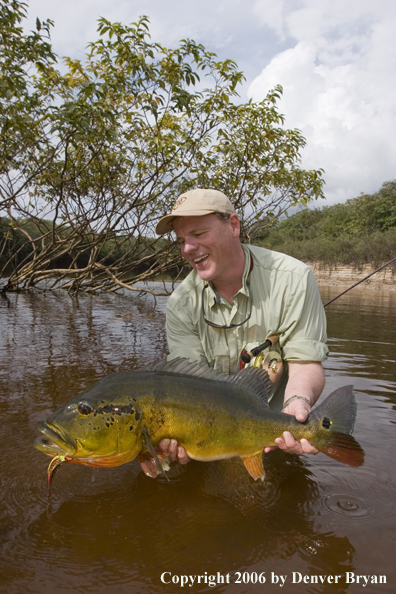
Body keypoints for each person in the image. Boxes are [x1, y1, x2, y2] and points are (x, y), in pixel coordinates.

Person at [155, 188, 328, 466]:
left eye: (199, 234)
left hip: (276, 436)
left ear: (233, 225)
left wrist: (298, 403)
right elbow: (186, 385)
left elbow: (306, 361)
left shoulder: (294, 278)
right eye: (182, 240)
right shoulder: (181, 304)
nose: (187, 248)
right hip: (208, 438)